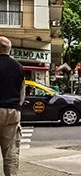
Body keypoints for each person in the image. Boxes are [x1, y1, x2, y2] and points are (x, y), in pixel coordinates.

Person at [0, 36, 24, 176]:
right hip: (12, 112)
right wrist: (17, 107)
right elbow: (22, 93)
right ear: (9, 49)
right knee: (10, 155)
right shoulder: (18, 67)